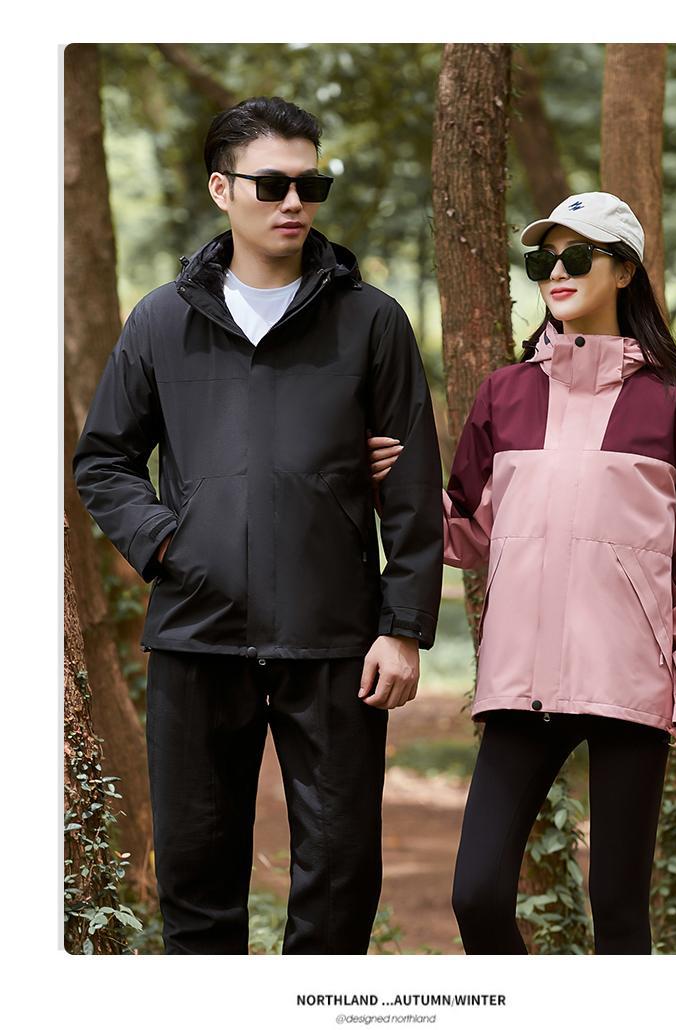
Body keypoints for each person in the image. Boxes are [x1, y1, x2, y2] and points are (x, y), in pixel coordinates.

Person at [72, 95, 444, 955]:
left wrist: (403, 628)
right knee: (196, 883)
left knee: (340, 881)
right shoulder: (161, 321)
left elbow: (413, 487)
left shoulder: (372, 321)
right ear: (221, 189)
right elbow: (104, 459)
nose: (294, 202)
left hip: (337, 639)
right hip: (197, 634)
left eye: (311, 184)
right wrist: (169, 541)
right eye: (271, 184)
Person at [367, 191, 676, 955]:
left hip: (630, 685)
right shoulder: (505, 393)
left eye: (578, 257)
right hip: (522, 680)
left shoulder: (675, 409)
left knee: (620, 913)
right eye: (543, 260)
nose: (556, 273)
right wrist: (393, 486)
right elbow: (466, 531)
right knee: (476, 896)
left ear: (625, 271)